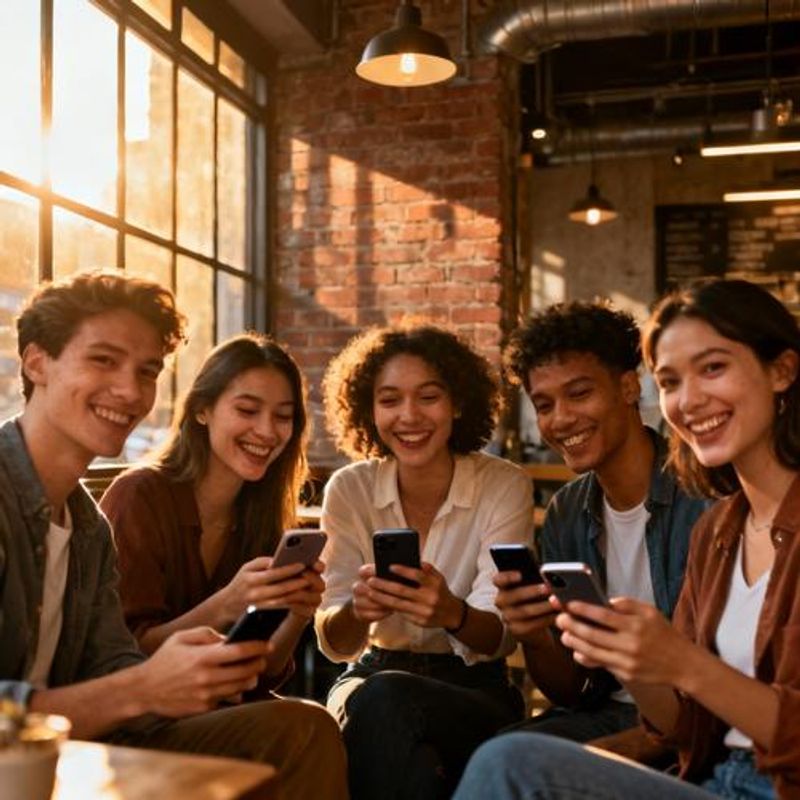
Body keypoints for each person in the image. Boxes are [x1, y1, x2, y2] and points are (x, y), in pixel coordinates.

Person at [0, 272, 347, 800]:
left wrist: (185, 666)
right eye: (103, 360)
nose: (130, 391)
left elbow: (114, 665)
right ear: (36, 362)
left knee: (303, 728)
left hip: (80, 750)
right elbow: (127, 683)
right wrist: (144, 685)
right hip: (38, 764)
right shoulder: (122, 497)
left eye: (148, 371)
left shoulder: (89, 531)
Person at [454, 278, 800, 800]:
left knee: (511, 763)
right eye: (671, 381)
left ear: (782, 370)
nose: (689, 400)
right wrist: (628, 655)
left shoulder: (700, 510)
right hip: (713, 778)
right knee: (507, 756)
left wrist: (682, 662)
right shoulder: (720, 532)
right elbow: (681, 728)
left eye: (713, 368)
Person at [314, 322, 532, 800]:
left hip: (474, 688)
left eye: (428, 397)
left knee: (385, 703)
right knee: (407, 757)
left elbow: (500, 637)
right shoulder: (349, 489)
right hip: (372, 673)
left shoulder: (503, 485)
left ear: (458, 403)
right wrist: (358, 611)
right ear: (369, 410)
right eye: (389, 400)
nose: (409, 416)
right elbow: (335, 643)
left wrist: (452, 613)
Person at [494, 301, 706, 741]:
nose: (560, 419)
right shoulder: (567, 512)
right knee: (500, 750)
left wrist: (631, 748)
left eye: (579, 393)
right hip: (606, 715)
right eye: (544, 404)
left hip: (699, 726)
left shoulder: (703, 495)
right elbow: (573, 691)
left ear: (629, 387)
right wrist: (535, 635)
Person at [101, 333, 321, 694]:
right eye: (247, 410)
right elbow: (123, 656)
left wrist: (298, 615)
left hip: (220, 702)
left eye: (283, 416)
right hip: (143, 707)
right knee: (309, 720)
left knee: (310, 717)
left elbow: (264, 671)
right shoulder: (139, 496)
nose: (267, 431)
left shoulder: (260, 513)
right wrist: (225, 606)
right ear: (202, 409)